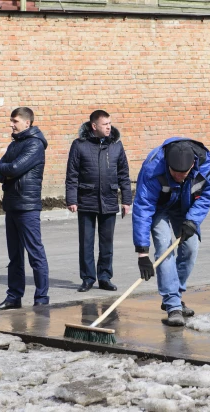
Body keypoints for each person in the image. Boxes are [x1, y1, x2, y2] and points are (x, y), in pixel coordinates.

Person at [132, 138, 210, 327]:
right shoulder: (153, 168)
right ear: (168, 165)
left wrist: (192, 221)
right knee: (164, 247)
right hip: (158, 208)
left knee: (191, 248)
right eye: (174, 173)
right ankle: (173, 305)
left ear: (192, 165)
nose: (178, 177)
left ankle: (176, 296)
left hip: (185, 208)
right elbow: (143, 208)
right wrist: (142, 252)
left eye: (183, 174)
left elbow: (208, 195)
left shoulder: (204, 165)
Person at [0, 107, 50, 310]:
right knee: (14, 256)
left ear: (27, 123)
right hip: (12, 204)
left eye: (15, 121)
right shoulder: (15, 144)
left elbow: (14, 168)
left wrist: (6, 170)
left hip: (27, 205)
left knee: (35, 253)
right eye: (11, 120)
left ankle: (41, 299)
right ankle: (13, 297)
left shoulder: (35, 144)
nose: (11, 124)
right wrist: (6, 171)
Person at [65, 110, 132, 292]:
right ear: (94, 126)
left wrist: (126, 200)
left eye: (110, 123)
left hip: (109, 199)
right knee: (86, 243)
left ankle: (104, 277)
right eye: (105, 124)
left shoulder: (116, 146)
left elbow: (124, 175)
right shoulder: (79, 145)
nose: (109, 127)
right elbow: (72, 175)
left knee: (106, 243)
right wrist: (72, 199)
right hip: (86, 200)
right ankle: (87, 278)